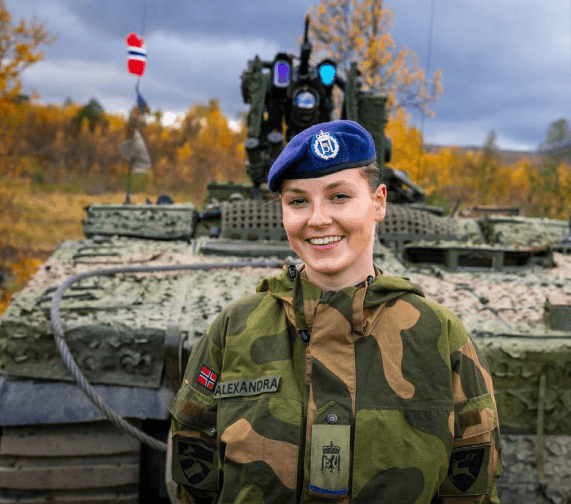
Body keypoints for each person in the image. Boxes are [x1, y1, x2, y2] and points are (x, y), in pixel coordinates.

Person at [169, 120, 501, 503]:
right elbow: (194, 477)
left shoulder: (439, 336)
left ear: (378, 202)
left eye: (339, 196)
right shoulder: (234, 330)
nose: (318, 219)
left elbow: (472, 489)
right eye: (298, 201)